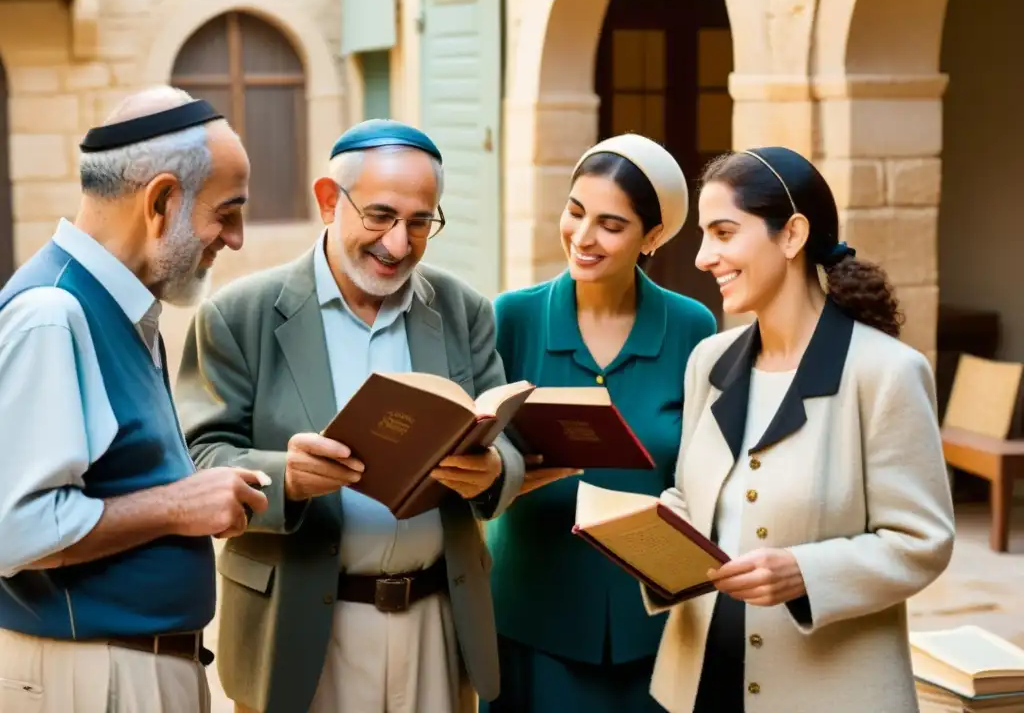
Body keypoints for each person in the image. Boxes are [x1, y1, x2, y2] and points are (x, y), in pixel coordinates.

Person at [174, 119, 529, 713]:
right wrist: (284, 477)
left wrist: (493, 471)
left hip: (437, 622)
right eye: (381, 216)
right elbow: (199, 458)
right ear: (327, 201)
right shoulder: (238, 315)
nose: (398, 243)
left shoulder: (464, 308)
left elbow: (508, 441)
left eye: (420, 223)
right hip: (299, 623)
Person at [643, 146, 956, 712]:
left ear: (791, 235)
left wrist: (804, 572)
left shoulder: (886, 373)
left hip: (830, 694)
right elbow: (691, 497)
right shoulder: (707, 362)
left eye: (723, 232)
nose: (703, 258)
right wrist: (648, 537)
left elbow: (922, 542)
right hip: (699, 682)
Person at [0, 86, 268, 713]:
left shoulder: (124, 308)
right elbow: (13, 530)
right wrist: (179, 506)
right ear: (162, 201)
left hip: (127, 672)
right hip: (93, 680)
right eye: (226, 212)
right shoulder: (52, 313)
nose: (235, 239)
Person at [480, 134, 718, 712]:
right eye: (576, 211)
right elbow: (474, 461)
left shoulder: (693, 328)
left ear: (653, 236)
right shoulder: (512, 317)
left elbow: (708, 473)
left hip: (654, 625)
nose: (583, 238)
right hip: (532, 619)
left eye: (611, 225)